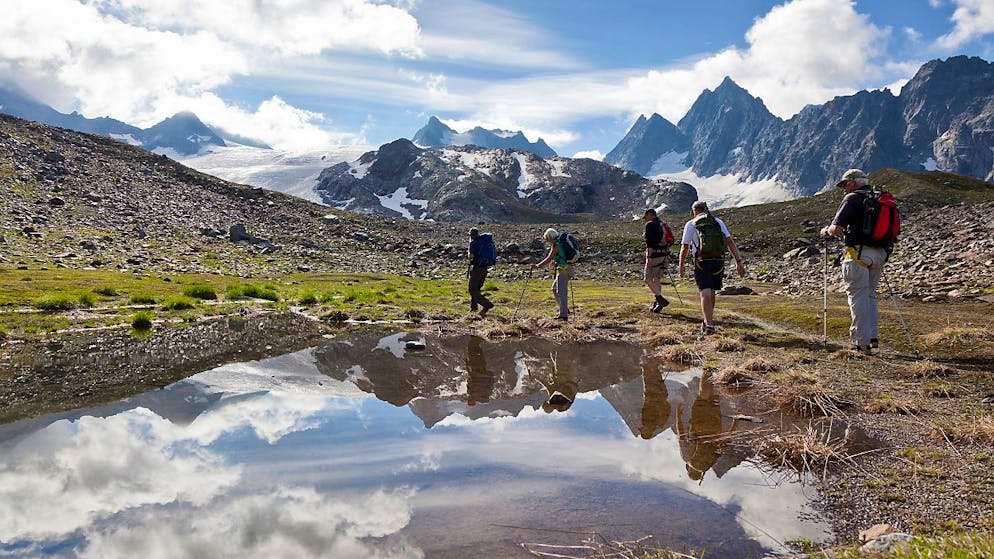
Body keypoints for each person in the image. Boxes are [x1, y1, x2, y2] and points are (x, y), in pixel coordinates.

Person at [820, 168, 884, 355]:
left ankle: (859, 342)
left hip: (857, 254)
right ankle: (873, 338)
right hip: (879, 254)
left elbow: (836, 229)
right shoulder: (880, 198)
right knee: (870, 295)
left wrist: (826, 231)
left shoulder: (852, 198)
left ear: (853, 182)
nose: (844, 189)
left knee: (857, 297)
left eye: (845, 184)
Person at [678, 201, 746, 335]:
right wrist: (738, 262)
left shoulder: (691, 224)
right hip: (719, 261)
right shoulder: (718, 222)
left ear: (693, 211)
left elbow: (685, 246)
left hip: (702, 261)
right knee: (712, 290)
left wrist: (681, 265)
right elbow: (730, 241)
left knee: (705, 292)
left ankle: (709, 325)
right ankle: (707, 320)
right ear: (707, 210)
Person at [532, 228, 573, 320]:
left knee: (561, 291)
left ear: (550, 236)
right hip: (566, 269)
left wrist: (537, 266)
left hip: (564, 270)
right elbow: (558, 256)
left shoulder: (556, 244)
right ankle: (564, 310)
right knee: (554, 289)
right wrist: (555, 261)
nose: (547, 240)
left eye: (547, 238)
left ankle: (563, 315)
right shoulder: (560, 243)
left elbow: (549, 257)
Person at [643, 208, 672, 313]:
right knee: (656, 279)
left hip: (654, 255)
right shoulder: (663, 224)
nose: (645, 220)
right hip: (664, 255)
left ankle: (660, 299)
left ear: (650, 215)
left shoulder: (650, 225)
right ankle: (657, 304)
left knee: (647, 279)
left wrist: (649, 257)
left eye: (646, 217)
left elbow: (649, 242)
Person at [467, 227, 494, 316]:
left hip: (477, 268)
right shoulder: (485, 241)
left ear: (471, 235)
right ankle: (473, 308)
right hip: (485, 268)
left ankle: (487, 304)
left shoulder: (473, 243)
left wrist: (468, 254)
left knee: (472, 289)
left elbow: (471, 256)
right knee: (477, 289)